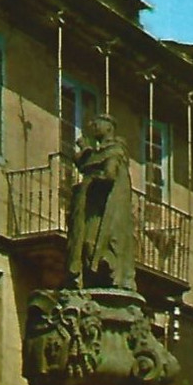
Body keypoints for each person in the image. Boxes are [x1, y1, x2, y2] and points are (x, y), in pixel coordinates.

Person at [66, 115, 135, 291]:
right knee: (87, 245)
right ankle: (92, 277)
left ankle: (104, 276)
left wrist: (96, 178)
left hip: (104, 211)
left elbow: (110, 174)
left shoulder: (115, 150)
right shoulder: (100, 152)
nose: (93, 126)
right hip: (91, 208)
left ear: (109, 127)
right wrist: (85, 150)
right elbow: (87, 163)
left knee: (96, 245)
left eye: (97, 124)